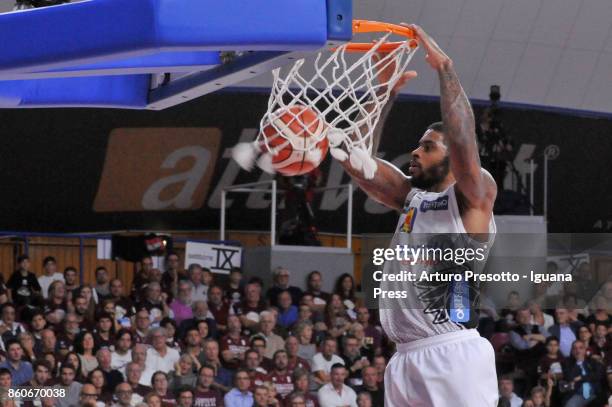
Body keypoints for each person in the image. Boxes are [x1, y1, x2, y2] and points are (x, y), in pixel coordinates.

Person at [336, 24, 498, 406]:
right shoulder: (412, 197)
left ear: (452, 162)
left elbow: (463, 142)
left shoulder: (475, 196)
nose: (416, 152)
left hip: (452, 351)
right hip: (404, 357)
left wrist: (445, 71)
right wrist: (384, 92)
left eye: (427, 147)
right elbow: (356, 161)